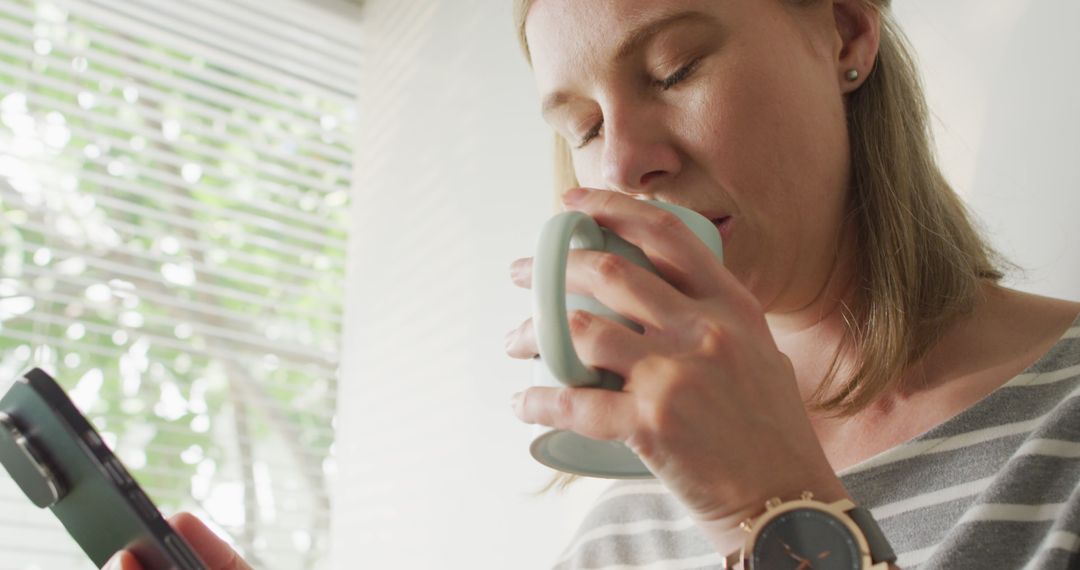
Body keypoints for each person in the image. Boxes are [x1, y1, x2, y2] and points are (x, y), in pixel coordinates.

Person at [112, 0, 1080, 568]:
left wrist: (777, 506)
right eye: (578, 126)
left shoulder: (1060, 426)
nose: (623, 162)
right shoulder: (628, 522)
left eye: (673, 68)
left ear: (846, 33)